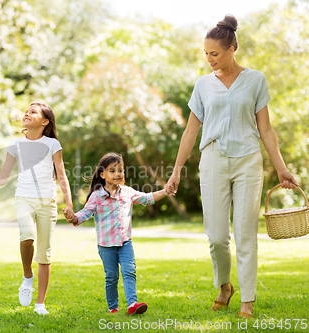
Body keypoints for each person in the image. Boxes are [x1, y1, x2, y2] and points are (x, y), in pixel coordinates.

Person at [165, 15, 298, 318]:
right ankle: (224, 286)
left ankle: (247, 301)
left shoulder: (255, 80)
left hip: (248, 160)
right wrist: (175, 170)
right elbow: (190, 132)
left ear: (232, 48)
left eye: (215, 53)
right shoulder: (202, 85)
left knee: (246, 232)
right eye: (206, 54)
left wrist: (281, 167)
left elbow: (265, 129)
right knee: (215, 236)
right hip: (213, 160)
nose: (209, 59)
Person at [0, 102, 73, 315]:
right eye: (26, 111)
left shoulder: (52, 145)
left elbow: (61, 174)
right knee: (27, 236)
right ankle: (27, 275)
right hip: (24, 198)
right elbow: (3, 178)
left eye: (33, 112)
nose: (27, 114)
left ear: (45, 121)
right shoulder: (16, 144)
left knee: (44, 254)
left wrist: (69, 203)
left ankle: (40, 304)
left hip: (47, 203)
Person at [64, 153, 173, 315]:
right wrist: (73, 217)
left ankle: (132, 305)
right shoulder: (97, 196)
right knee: (112, 277)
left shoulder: (127, 192)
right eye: (112, 171)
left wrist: (165, 191)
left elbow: (147, 198)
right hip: (106, 245)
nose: (118, 174)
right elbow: (85, 213)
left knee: (129, 270)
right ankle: (113, 308)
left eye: (120, 170)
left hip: (125, 242)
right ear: (102, 174)